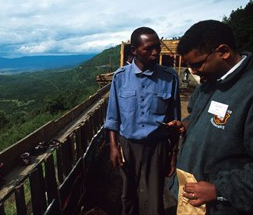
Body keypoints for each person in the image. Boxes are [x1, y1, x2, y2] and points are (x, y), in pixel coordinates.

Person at [168, 20, 253, 214]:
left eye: (197, 64)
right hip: (193, 201)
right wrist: (186, 125)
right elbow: (198, 116)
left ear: (223, 52)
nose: (193, 72)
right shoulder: (209, 82)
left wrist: (219, 190)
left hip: (223, 206)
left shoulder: (249, 92)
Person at [104, 27, 181, 215]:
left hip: (157, 147)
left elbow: (175, 121)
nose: (155, 53)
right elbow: (113, 116)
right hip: (128, 145)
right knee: (128, 193)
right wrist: (114, 146)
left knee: (155, 197)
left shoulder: (169, 78)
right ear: (134, 51)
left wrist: (173, 155)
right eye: (148, 49)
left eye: (157, 48)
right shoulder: (120, 78)